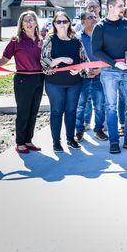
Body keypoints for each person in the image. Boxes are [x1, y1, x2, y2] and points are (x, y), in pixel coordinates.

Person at [92, 0, 127, 154]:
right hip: (109, 71)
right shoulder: (100, 27)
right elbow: (96, 51)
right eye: (121, 6)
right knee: (111, 107)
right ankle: (114, 142)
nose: (124, 8)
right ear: (111, 7)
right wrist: (115, 64)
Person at [0, 11, 44, 154]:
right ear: (21, 24)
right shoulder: (16, 41)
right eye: (25, 21)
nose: (28, 23)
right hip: (23, 80)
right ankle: (20, 142)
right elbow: (4, 59)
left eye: (31, 20)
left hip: (39, 79)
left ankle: (28, 140)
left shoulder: (41, 40)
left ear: (36, 23)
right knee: (23, 112)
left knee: (34, 112)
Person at [40, 11, 89, 152]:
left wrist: (79, 70)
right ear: (54, 24)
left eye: (64, 21)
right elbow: (44, 60)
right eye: (58, 22)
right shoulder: (50, 39)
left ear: (69, 23)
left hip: (74, 82)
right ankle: (56, 142)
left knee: (71, 111)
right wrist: (60, 59)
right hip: (54, 83)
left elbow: (84, 61)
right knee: (56, 111)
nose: (62, 24)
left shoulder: (76, 40)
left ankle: (70, 139)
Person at [75, 12, 108, 142]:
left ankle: (99, 130)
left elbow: (108, 54)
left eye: (95, 17)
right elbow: (75, 57)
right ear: (82, 22)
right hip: (83, 76)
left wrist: (100, 69)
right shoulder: (77, 38)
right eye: (90, 18)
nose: (94, 19)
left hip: (100, 76)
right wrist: (85, 70)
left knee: (100, 104)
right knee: (81, 105)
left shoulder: (102, 37)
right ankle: (79, 131)